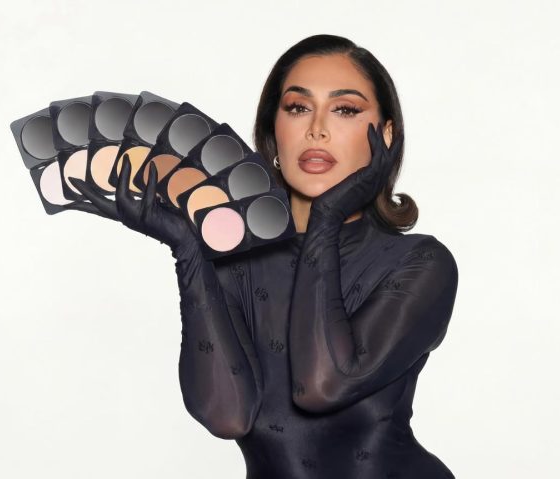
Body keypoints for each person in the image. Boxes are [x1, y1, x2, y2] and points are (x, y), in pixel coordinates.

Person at [71, 34, 459, 479]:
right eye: (297, 107)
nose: (317, 129)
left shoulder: (421, 262)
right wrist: (188, 251)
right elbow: (227, 416)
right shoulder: (234, 260)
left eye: (345, 110)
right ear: (274, 131)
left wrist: (327, 217)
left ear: (385, 136)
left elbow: (322, 385)